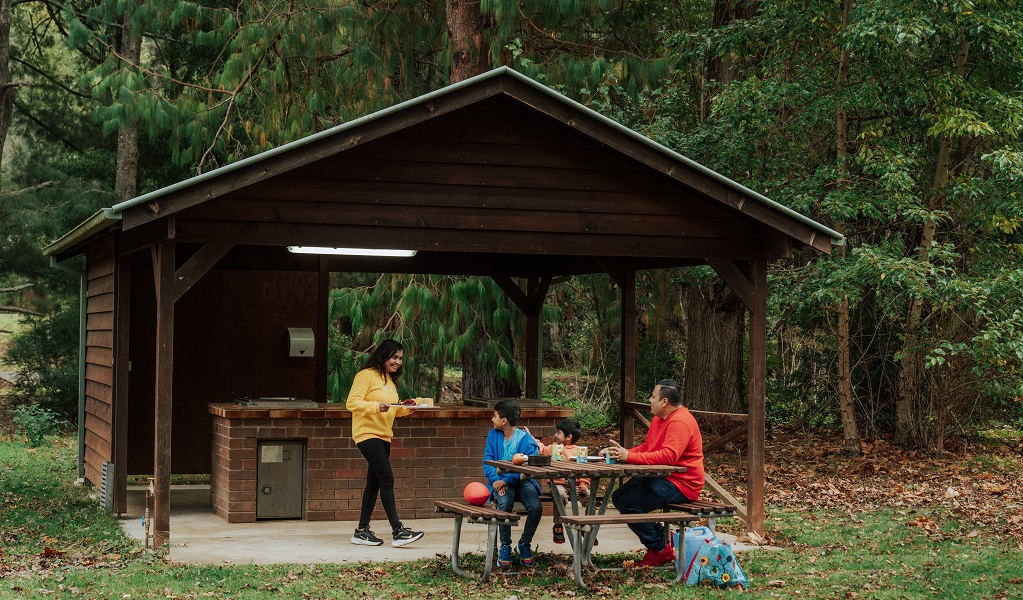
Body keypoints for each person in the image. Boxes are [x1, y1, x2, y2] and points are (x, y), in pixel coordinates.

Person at [601, 379, 705, 567]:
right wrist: (623, 453)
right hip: (661, 476)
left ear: (664, 402)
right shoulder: (659, 419)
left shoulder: (680, 421)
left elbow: (668, 457)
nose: (649, 400)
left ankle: (659, 550)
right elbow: (649, 447)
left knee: (630, 505)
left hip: (682, 483)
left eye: (653, 396)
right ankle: (664, 538)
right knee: (619, 497)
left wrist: (629, 457)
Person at [346, 339, 424, 548]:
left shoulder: (390, 381)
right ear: (383, 355)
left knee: (375, 482)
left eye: (400, 358)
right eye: (394, 357)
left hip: (384, 435)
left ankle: (361, 531)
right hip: (366, 433)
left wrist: (408, 408)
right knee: (387, 478)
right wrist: (374, 406)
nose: (397, 362)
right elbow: (351, 402)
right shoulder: (366, 375)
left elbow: (391, 408)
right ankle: (398, 531)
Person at [483, 399, 542, 568]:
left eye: (494, 416)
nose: (491, 420)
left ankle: (524, 544)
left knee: (536, 507)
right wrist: (496, 481)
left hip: (522, 481)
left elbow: (525, 468)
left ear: (504, 420)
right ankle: (505, 546)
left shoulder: (525, 440)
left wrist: (505, 480)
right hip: (499, 482)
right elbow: (487, 462)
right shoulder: (493, 435)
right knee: (504, 503)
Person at [533, 418, 592, 544]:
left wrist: (583, 484)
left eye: (558, 433)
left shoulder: (580, 451)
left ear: (569, 437)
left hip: (576, 485)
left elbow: (585, 470)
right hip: (559, 484)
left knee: (589, 497)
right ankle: (558, 525)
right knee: (560, 495)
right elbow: (542, 449)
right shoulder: (556, 448)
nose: (555, 435)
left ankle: (588, 524)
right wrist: (533, 439)